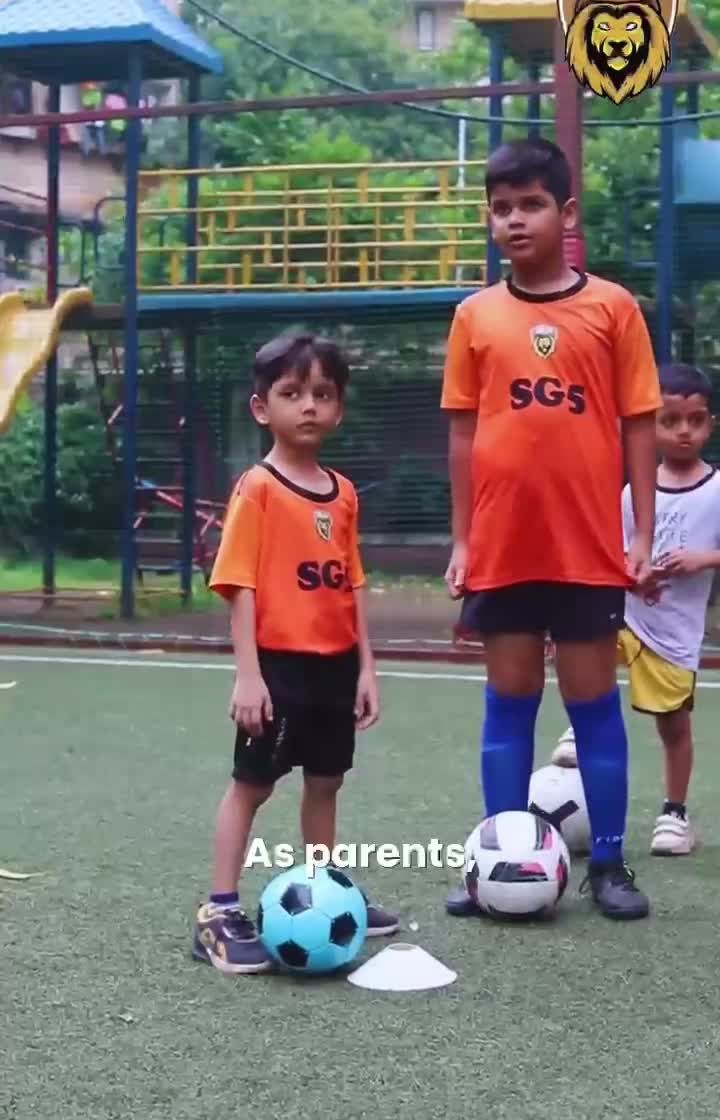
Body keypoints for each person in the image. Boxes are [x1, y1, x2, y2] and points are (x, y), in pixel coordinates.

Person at [441, 137, 662, 921]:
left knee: (593, 704)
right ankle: (497, 858)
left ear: (566, 213)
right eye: (500, 208)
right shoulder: (474, 316)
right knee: (509, 702)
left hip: (586, 548)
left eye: (530, 204)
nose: (514, 220)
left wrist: (642, 533)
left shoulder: (613, 308)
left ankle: (609, 864)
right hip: (504, 546)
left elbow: (640, 423)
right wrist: (463, 539)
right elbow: (463, 432)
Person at [193, 333, 399, 974]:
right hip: (278, 666)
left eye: (323, 394)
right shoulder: (257, 488)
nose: (308, 405)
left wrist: (367, 667)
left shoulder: (344, 492)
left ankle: (324, 889)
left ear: (338, 409)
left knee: (326, 781)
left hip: (336, 666)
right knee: (252, 785)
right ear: (262, 408)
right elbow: (239, 584)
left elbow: (352, 582)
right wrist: (248, 675)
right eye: (291, 393)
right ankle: (218, 911)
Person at [552, 363, 720, 857]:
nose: (684, 431)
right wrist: (633, 571)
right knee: (586, 652)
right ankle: (578, 730)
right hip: (627, 614)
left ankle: (675, 814)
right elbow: (620, 550)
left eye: (695, 420)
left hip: (675, 632)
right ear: (652, 425)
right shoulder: (634, 492)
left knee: (674, 725)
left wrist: (704, 559)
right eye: (670, 420)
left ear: (710, 424)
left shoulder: (716, 489)